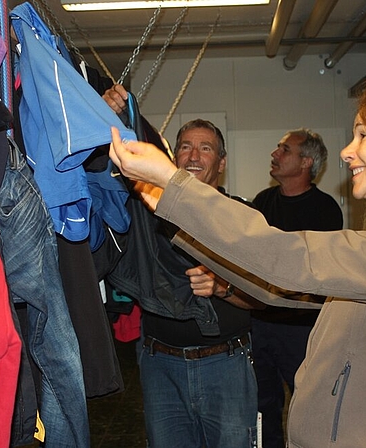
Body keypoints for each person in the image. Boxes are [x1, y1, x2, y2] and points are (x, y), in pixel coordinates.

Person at [107, 77, 366, 447]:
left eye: (363, 135)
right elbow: (288, 287)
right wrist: (178, 213)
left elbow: (291, 259)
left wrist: (174, 184)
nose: (347, 151)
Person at [104, 85, 260, 448]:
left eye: (205, 148)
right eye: (185, 147)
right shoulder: (149, 209)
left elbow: (265, 299)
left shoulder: (245, 217)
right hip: (161, 366)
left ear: (221, 162)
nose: (193, 155)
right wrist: (109, 118)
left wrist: (224, 288)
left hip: (227, 367)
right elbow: (109, 169)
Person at [251, 128, 343, 448]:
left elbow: (321, 273)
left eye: (284, 149)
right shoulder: (262, 202)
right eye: (277, 148)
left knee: (308, 407)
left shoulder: (326, 209)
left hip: (302, 329)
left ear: (306, 162)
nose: (275, 154)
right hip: (260, 323)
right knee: (263, 407)